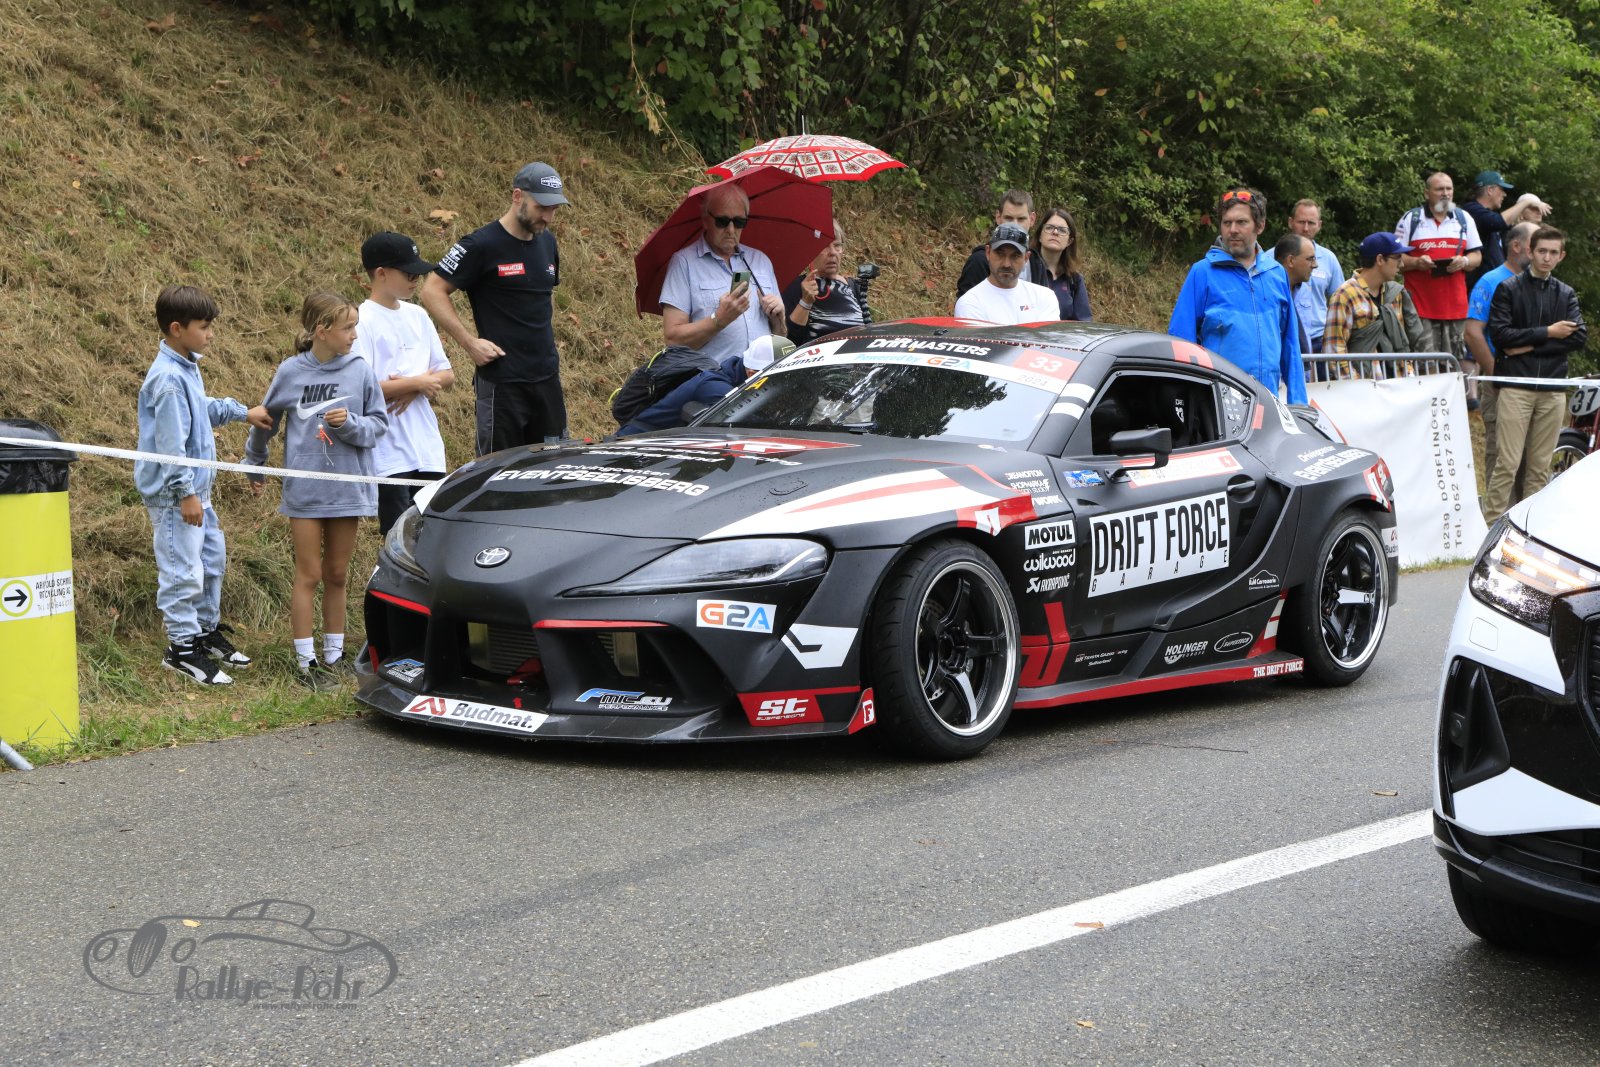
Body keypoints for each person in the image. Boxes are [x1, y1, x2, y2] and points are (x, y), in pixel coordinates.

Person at [245, 292, 389, 688]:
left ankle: (334, 656)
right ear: (321, 331)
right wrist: (254, 463)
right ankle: (305, 663)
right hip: (305, 490)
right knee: (308, 573)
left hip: (347, 489)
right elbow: (265, 421)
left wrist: (350, 424)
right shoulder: (291, 371)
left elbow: (378, 425)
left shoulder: (360, 371)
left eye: (356, 326)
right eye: (347, 328)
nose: (355, 335)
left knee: (337, 573)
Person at [135, 285, 272, 686]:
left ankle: (204, 633)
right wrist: (186, 494)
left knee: (211, 562)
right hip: (176, 496)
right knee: (183, 571)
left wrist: (242, 412)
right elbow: (170, 446)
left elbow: (201, 408)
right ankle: (181, 650)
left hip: (198, 493)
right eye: (204, 326)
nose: (211, 334)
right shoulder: (167, 379)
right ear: (177, 328)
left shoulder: (186, 367)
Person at [421, 161, 569, 456]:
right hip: (503, 383)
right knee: (497, 471)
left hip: (547, 379)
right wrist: (469, 343)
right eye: (541, 207)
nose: (548, 217)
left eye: (554, 209)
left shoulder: (547, 242)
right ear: (517, 196)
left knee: (553, 465)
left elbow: (544, 297)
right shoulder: (480, 245)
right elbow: (432, 290)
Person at [352, 232, 456, 534]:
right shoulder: (361, 320)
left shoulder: (418, 315)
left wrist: (415, 385)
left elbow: (446, 374)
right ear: (381, 273)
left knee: (433, 531)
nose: (415, 280)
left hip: (427, 446)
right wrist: (417, 384)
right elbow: (363, 389)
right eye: (408, 273)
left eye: (417, 274)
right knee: (398, 534)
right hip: (388, 450)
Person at [1169, 187, 1306, 403]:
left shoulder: (1277, 274)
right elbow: (1181, 342)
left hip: (1268, 401)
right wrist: (1185, 402)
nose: (1233, 230)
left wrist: (1299, 403)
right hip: (1218, 404)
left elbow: (1290, 344)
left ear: (1260, 226)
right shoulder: (1202, 273)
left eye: (1241, 222)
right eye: (1227, 223)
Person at [1485, 226, 1586, 517]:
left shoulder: (1566, 293)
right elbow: (1501, 336)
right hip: (1515, 387)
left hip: (1553, 388)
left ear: (1561, 256)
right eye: (1542, 251)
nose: (1547, 257)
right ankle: (1489, 527)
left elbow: (1578, 338)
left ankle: (1530, 526)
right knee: (1507, 463)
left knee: (1540, 467)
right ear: (1530, 251)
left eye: (1553, 252)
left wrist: (1527, 346)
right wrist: (1549, 332)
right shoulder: (1508, 288)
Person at [657, 183, 786, 378]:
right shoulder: (684, 263)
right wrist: (719, 319)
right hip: (714, 381)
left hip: (763, 379)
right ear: (706, 220)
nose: (731, 230)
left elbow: (779, 337)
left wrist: (779, 322)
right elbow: (673, 339)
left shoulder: (760, 261)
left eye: (739, 222)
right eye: (722, 221)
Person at [1396, 171, 1482, 404]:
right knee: (1424, 365)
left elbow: (1477, 256)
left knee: (1453, 365)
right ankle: (1425, 409)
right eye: (1439, 189)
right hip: (1420, 308)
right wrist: (1417, 262)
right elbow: (1396, 259)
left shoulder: (1463, 219)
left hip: (1454, 308)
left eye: (1449, 189)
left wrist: (1464, 261)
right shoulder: (1411, 219)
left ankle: (1451, 410)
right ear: (1427, 193)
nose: (1445, 193)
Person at [1465, 221, 1538, 492]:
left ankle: (1528, 513)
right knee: (1501, 456)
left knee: (1532, 457)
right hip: (1500, 378)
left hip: (1533, 379)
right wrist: (1496, 374)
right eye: (1534, 245)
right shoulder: (1491, 281)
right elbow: (1472, 332)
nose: (1540, 252)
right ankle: (1499, 516)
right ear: (1516, 246)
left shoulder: (1541, 283)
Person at [617, 336, 795, 436]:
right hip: (635, 443)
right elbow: (753, 426)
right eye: (777, 379)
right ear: (751, 373)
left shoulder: (740, 380)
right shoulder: (715, 387)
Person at [1322, 233, 1429, 361]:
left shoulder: (1395, 293)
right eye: (1397, 258)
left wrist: (1408, 370)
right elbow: (1334, 352)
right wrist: (1356, 375)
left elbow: (1402, 343)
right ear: (1380, 260)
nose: (1401, 265)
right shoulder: (1345, 295)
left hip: (1398, 373)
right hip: (1363, 374)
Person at [952, 223, 1060, 325]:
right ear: (988, 252)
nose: (1006, 264)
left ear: (1026, 258)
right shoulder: (970, 303)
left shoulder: (1044, 297)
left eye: (1015, 256)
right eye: (1000, 254)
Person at [1462, 170, 1551, 288]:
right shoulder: (1472, 209)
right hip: (1480, 286)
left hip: (1494, 284)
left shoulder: (1487, 215)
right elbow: (1498, 222)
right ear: (1490, 190)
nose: (1504, 194)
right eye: (1502, 190)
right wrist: (1527, 202)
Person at [783, 221, 866, 344]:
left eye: (837, 245)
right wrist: (805, 303)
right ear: (810, 251)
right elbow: (789, 341)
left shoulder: (852, 287)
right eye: (824, 246)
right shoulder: (796, 287)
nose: (833, 252)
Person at [955, 189, 1045, 297]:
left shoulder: (1037, 264)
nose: (1014, 225)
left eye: (1021, 219)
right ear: (998, 217)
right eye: (1009, 218)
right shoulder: (979, 262)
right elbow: (966, 303)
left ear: (1032, 219)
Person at [1281, 200, 1344, 352]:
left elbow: (1340, 302)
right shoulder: (1272, 258)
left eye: (1311, 223)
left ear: (1319, 225)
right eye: (1301, 222)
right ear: (1290, 222)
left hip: (1320, 339)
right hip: (1284, 337)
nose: (1305, 228)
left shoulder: (1329, 259)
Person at [1030, 207, 1092, 321]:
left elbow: (1083, 324)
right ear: (1039, 236)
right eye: (1049, 227)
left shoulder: (1074, 280)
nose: (1055, 232)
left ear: (1069, 241)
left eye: (1062, 230)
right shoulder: (1025, 270)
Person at [1273, 232, 1317, 357]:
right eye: (1310, 259)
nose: (1315, 265)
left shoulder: (1305, 291)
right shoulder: (1268, 292)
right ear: (1291, 261)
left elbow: (1306, 336)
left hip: (1303, 365)